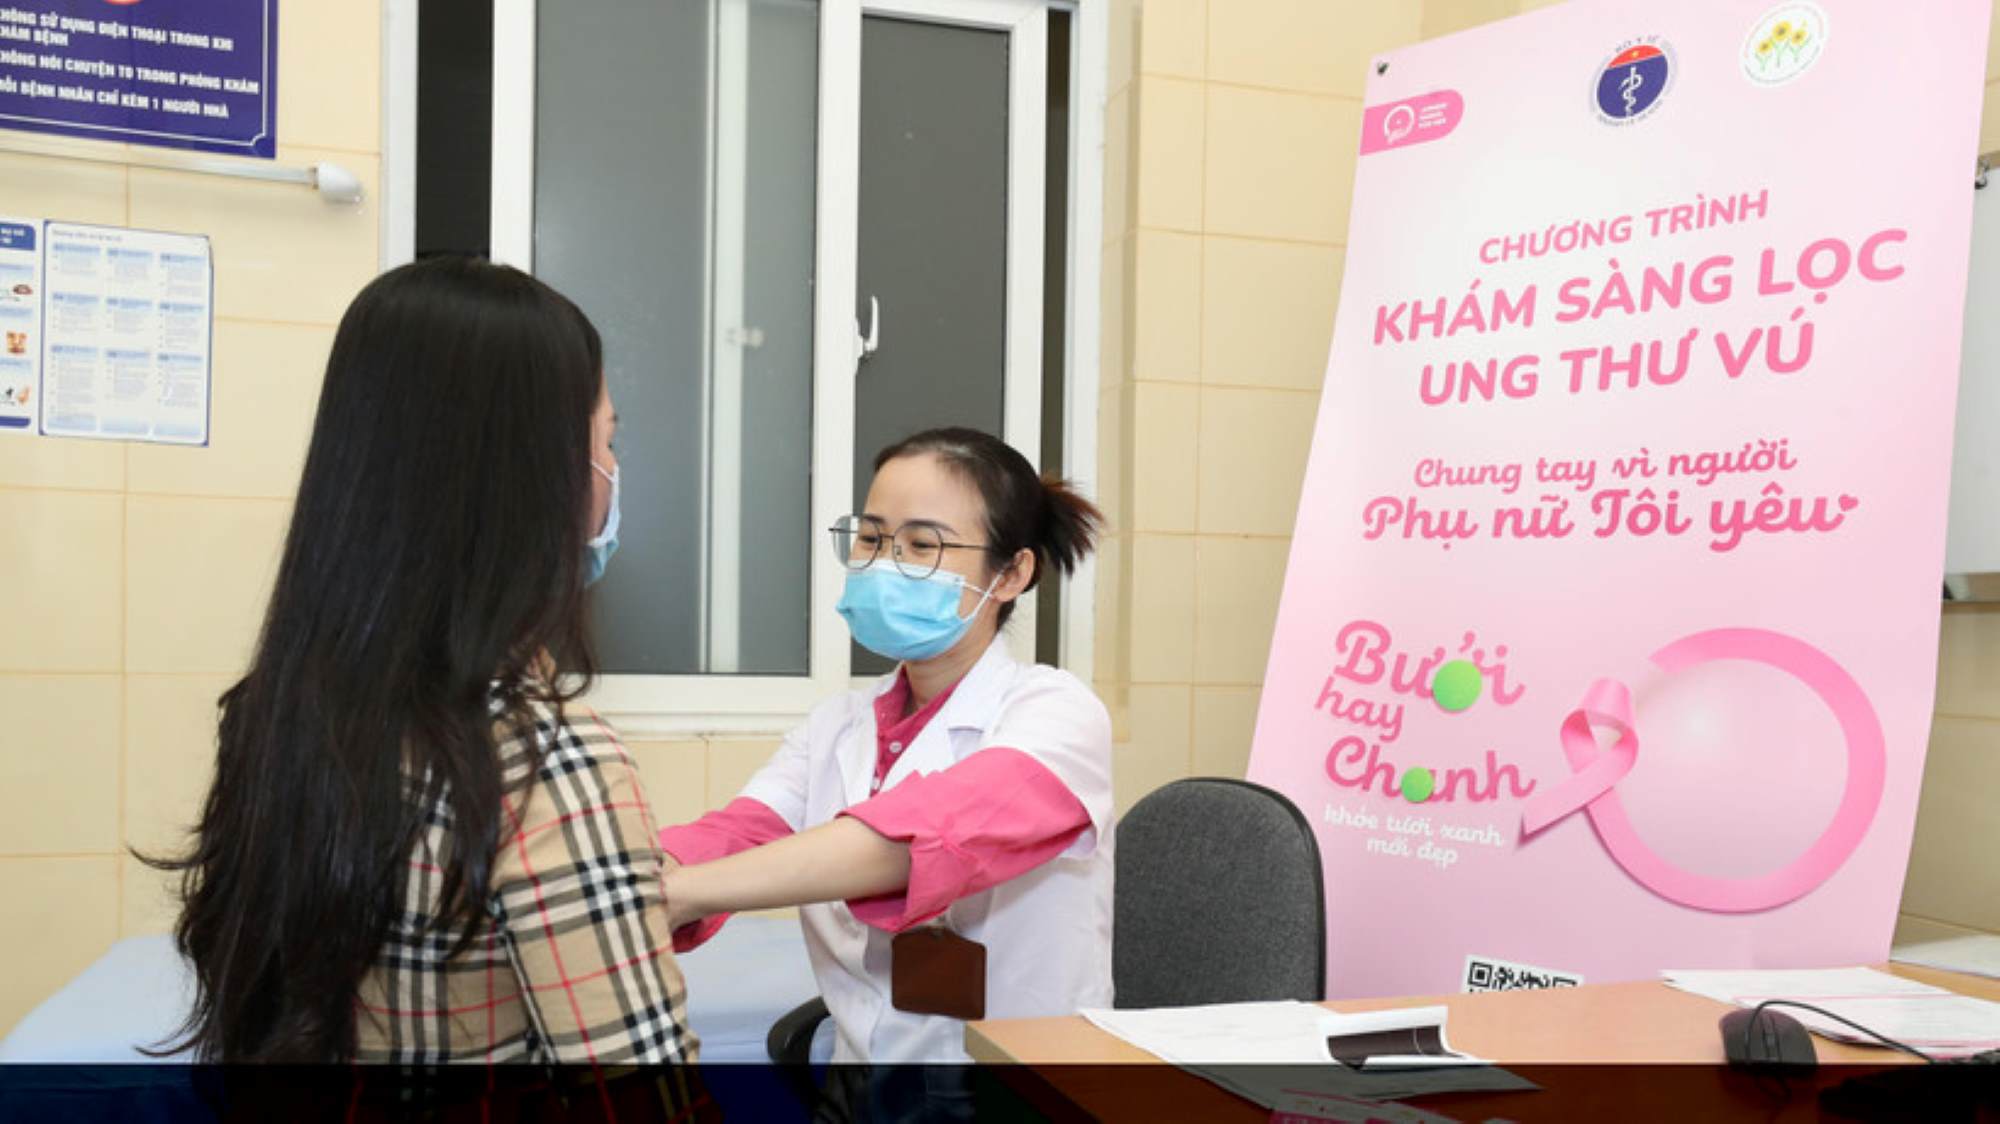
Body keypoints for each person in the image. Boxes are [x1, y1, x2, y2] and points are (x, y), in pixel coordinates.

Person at [144, 258, 700, 1096]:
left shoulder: (279, 714)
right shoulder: (545, 767)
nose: (611, 475)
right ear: (529, 477)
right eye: (606, 440)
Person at [659, 427, 1113, 1077]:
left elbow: (920, 838)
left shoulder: (1057, 716)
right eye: (871, 538)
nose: (885, 563)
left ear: (1011, 574)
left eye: (922, 545)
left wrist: (680, 892)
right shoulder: (837, 726)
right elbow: (740, 835)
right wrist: (640, 875)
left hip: (1022, 1090)